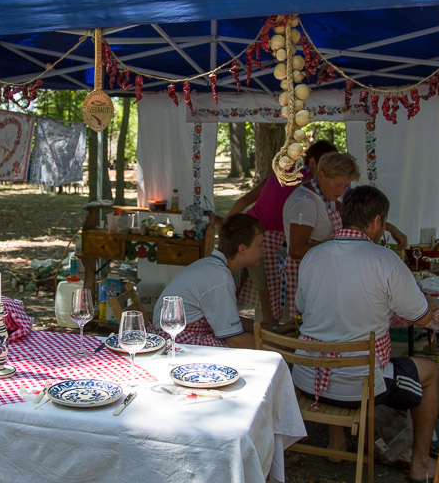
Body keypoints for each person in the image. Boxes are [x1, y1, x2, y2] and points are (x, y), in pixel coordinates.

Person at [293, 186, 439, 482]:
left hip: (307, 377)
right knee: (430, 372)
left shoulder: (313, 256)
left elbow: (303, 308)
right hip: (358, 387)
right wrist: (429, 303)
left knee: (333, 341)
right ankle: (421, 464)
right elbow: (421, 317)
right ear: (377, 221)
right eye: (384, 223)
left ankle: (336, 443)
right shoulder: (385, 260)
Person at [226, 140, 338, 325]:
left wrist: (228, 226)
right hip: (262, 238)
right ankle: (264, 331)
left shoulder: (280, 173)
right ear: (312, 163)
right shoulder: (308, 184)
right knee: (267, 294)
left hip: (246, 231)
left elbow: (245, 200)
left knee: (240, 286)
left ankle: (231, 322)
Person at [154, 214, 294, 348]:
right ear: (242, 249)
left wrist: (275, 328)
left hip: (174, 334)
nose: (264, 250)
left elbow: (231, 320)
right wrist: (286, 346)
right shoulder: (220, 277)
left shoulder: (214, 266)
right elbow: (236, 341)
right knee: (231, 348)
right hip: (175, 342)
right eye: (260, 244)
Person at [278, 152, 360, 321]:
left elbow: (351, 218)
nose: (341, 191)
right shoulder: (305, 202)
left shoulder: (327, 197)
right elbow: (296, 250)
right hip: (306, 275)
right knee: (310, 323)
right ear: (321, 175)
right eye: (338, 184)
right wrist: (337, 246)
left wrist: (388, 227)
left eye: (346, 186)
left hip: (322, 272)